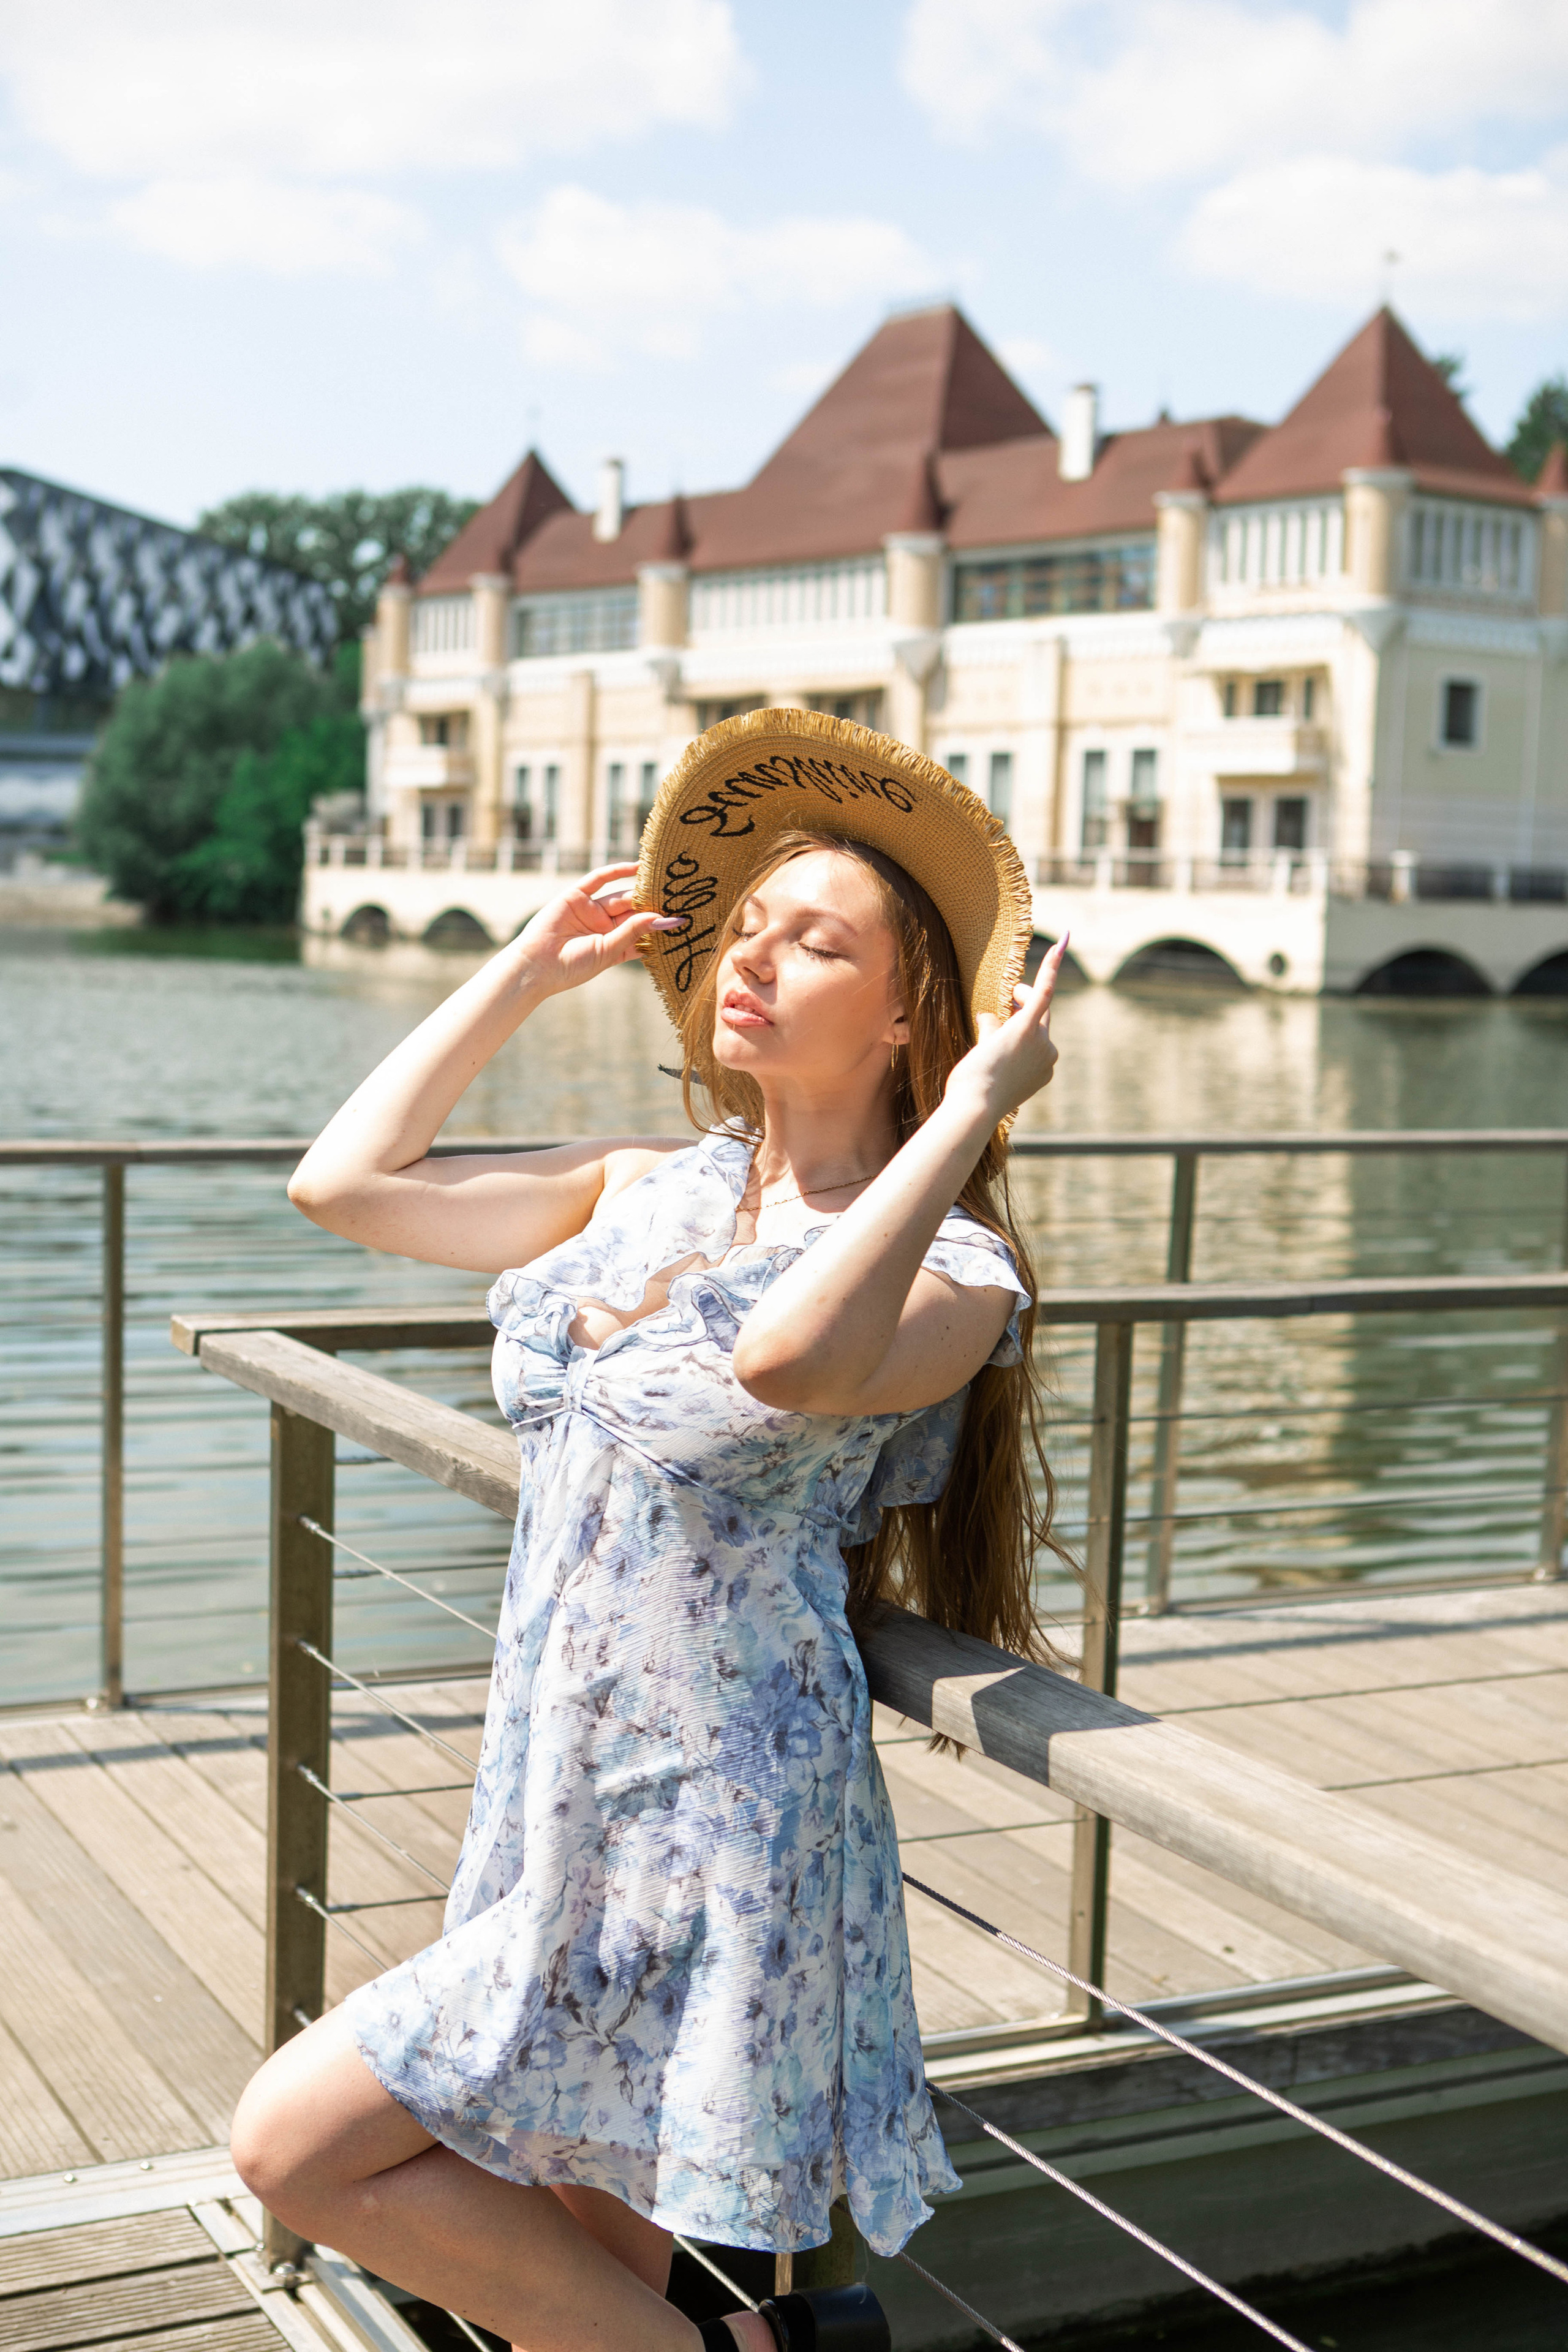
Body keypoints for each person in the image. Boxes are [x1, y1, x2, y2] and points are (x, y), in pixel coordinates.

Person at [231, 711, 1068, 2352]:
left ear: (909, 1013)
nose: (750, 959)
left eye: (813, 941)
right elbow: (341, 1182)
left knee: (293, 2146)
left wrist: (964, 1117)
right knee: (581, 2270)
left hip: (718, 1823)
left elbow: (789, 1359)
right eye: (743, 927)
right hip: (554, 1788)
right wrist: (528, 971)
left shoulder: (956, 1276)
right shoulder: (642, 1185)